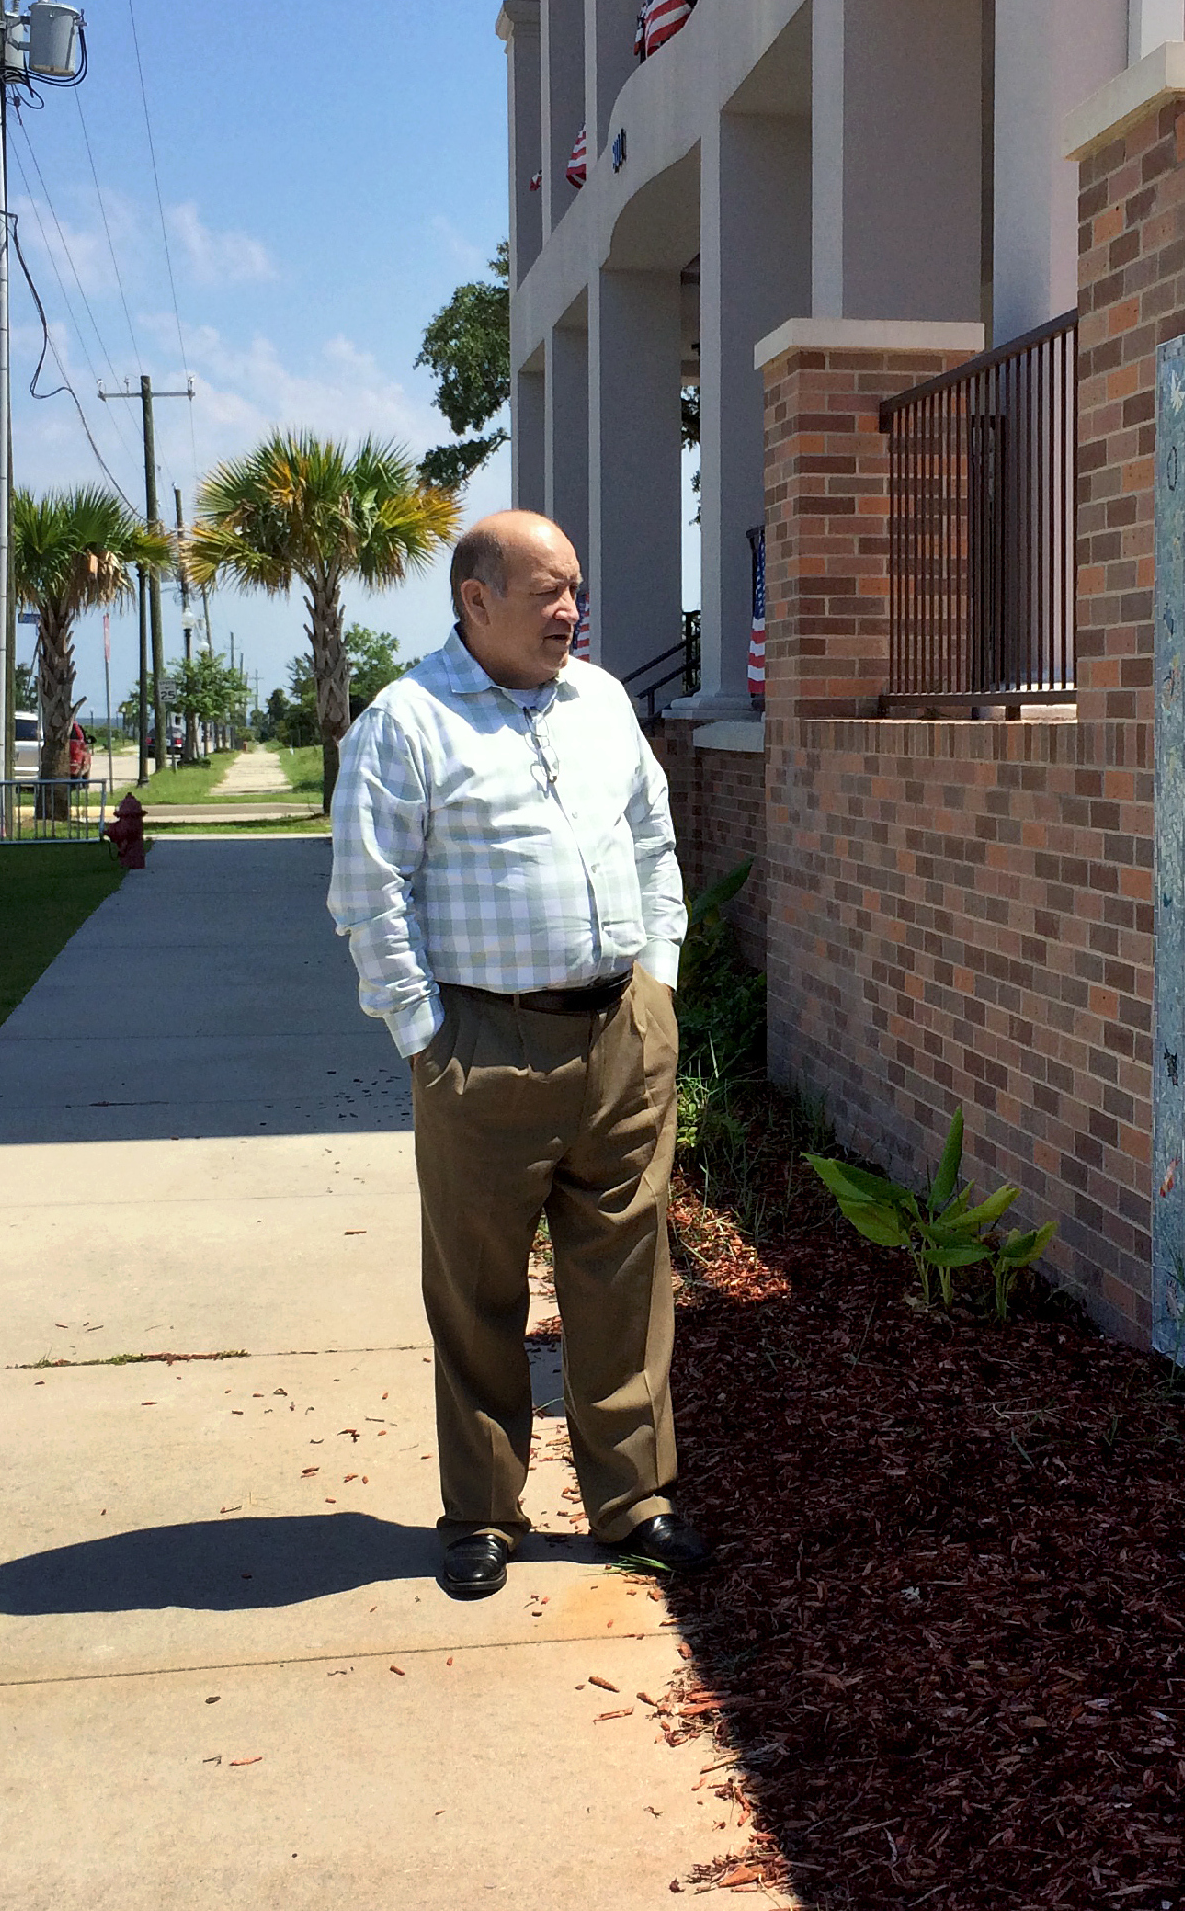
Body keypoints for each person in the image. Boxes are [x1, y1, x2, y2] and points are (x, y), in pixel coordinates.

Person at [327, 510, 702, 1603]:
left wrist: (659, 982)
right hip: (481, 1044)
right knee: (477, 1290)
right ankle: (484, 1512)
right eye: (544, 592)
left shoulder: (600, 703)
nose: (569, 611)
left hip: (619, 1032)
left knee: (625, 1278)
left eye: (574, 588)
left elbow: (651, 837)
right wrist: (422, 1033)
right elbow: (368, 891)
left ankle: (634, 1499)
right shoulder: (405, 721)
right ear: (474, 600)